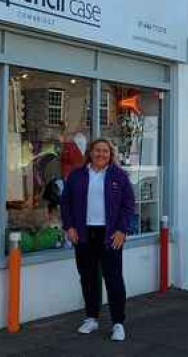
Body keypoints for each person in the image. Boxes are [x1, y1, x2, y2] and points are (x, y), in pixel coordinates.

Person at [60, 138, 136, 342]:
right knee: (88, 277)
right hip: (84, 235)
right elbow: (65, 202)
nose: (101, 154)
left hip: (110, 235)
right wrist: (69, 226)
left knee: (113, 279)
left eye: (105, 151)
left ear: (110, 154)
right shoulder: (77, 175)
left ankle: (118, 323)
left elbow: (129, 206)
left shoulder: (118, 176)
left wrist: (122, 230)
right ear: (90, 153)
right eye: (97, 150)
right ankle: (91, 318)